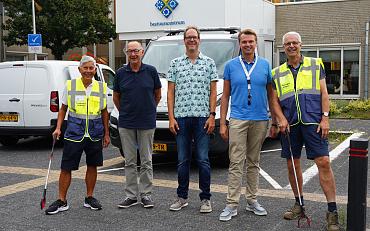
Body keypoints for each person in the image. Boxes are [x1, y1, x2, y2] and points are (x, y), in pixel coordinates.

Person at [270, 31, 339, 231]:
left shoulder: (315, 64)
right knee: (293, 165)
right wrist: (280, 119)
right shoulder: (277, 72)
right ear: (284, 48)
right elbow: (273, 100)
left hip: (313, 122)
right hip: (289, 125)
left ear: (300, 44)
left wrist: (325, 117)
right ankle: (299, 204)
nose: (291, 46)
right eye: (287, 44)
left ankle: (332, 212)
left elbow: (324, 93)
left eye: (294, 43)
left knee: (324, 163)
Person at [218, 29, 274, 221]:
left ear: (255, 43)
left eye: (251, 42)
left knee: (254, 162)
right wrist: (223, 123)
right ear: (239, 44)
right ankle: (231, 204)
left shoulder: (265, 66)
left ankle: (252, 200)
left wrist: (274, 119)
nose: (248, 45)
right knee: (235, 162)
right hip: (238, 119)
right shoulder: (231, 66)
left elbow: (271, 95)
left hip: (260, 119)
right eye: (244, 42)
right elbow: (225, 96)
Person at [45, 55, 110, 215]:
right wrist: (58, 128)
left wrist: (106, 133)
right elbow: (63, 109)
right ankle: (62, 200)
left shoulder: (101, 87)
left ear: (95, 70)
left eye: (91, 68)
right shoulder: (71, 85)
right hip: (74, 132)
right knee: (66, 167)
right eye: (85, 68)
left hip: (94, 133)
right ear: (80, 69)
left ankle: (89, 197)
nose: (88, 71)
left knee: (92, 165)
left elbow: (104, 112)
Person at [167, 26, 218, 213]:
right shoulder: (175, 63)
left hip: (203, 118)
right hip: (181, 118)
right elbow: (170, 92)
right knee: (182, 160)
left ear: (199, 40)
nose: (191, 40)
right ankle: (182, 197)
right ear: (184, 40)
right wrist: (171, 118)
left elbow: (213, 92)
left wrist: (212, 115)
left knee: (203, 159)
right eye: (188, 37)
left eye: (194, 37)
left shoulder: (209, 63)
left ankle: (206, 199)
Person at [114, 41, 161, 209]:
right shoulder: (120, 73)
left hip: (146, 122)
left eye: (136, 51)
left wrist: (148, 110)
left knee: (147, 160)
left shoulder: (151, 71)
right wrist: (126, 112)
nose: (133, 54)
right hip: (126, 123)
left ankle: (146, 195)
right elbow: (116, 97)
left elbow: (157, 95)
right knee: (130, 161)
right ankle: (131, 196)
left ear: (142, 52)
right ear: (127, 53)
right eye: (130, 51)